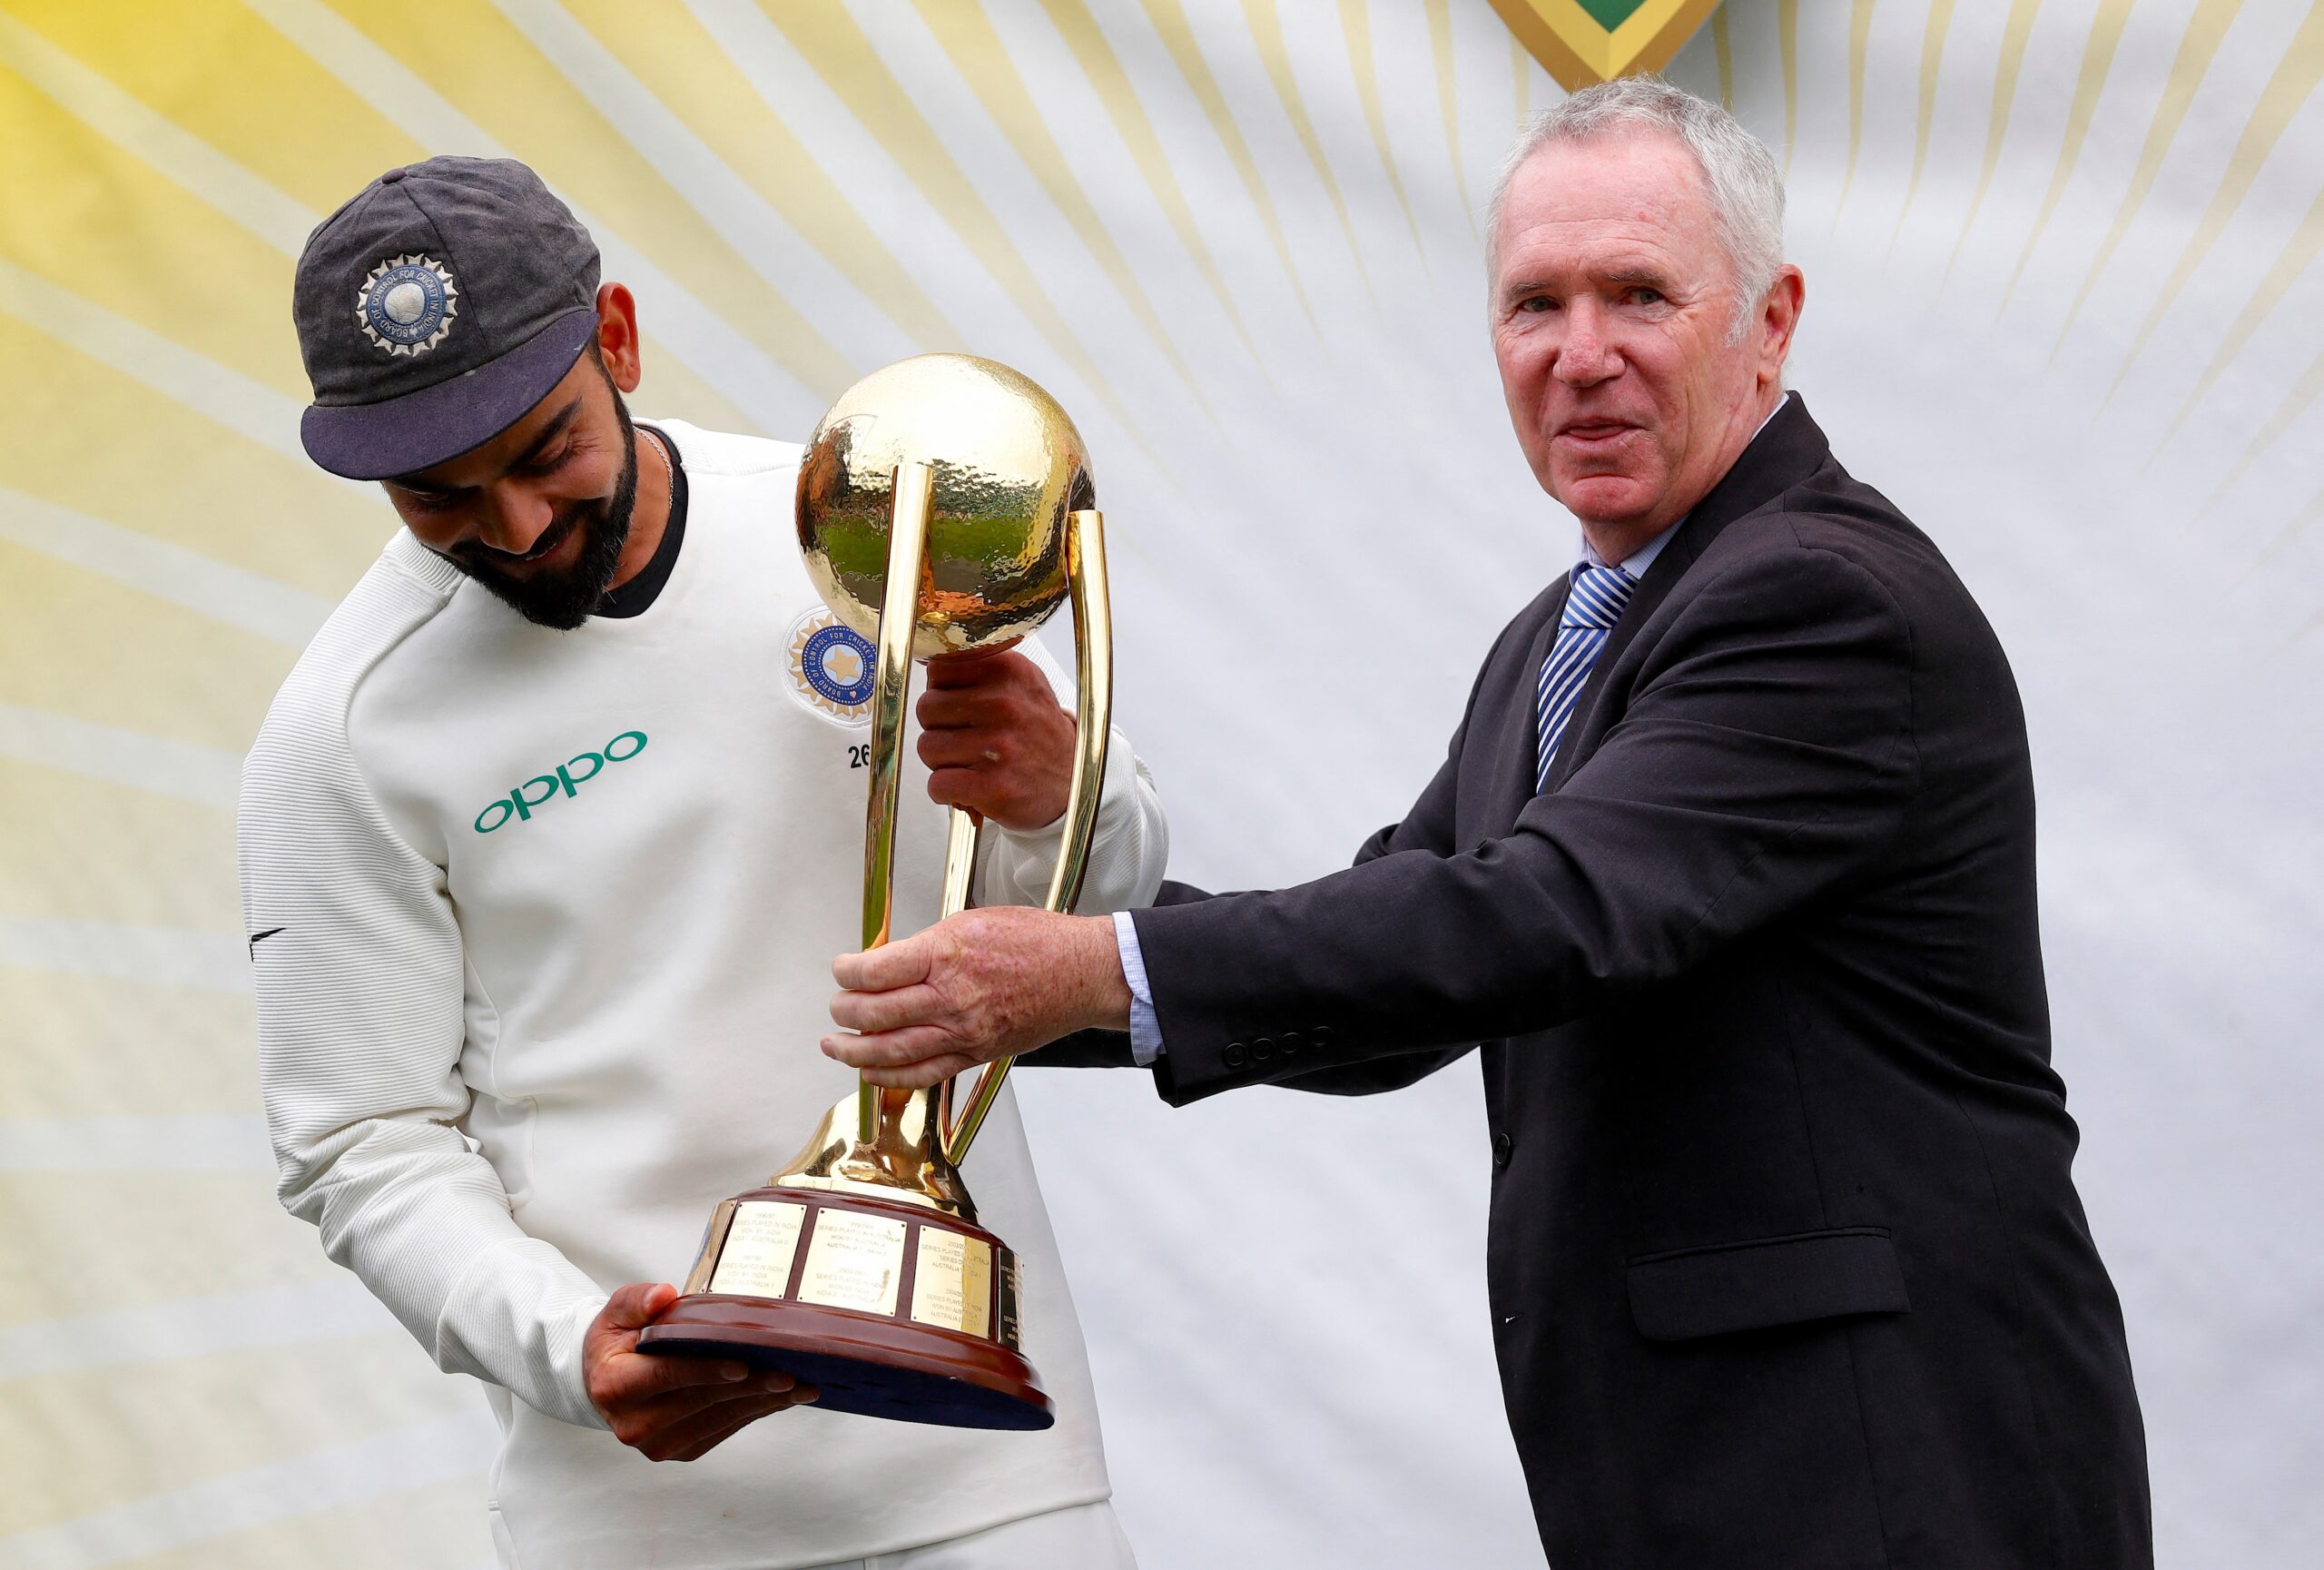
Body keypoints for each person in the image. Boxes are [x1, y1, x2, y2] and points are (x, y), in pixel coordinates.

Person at [823, 80, 2153, 1568]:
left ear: (1770, 322)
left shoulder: (1821, 599)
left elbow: (1534, 916)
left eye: (1639, 294)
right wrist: (981, 958)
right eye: (1536, 305)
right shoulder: (1563, 632)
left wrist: (1083, 968)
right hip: (1704, 1473)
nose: (1581, 356)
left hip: (1894, 1473)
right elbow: (1399, 964)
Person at [240, 156, 1165, 1570]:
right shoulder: (344, 730)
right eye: (436, 495)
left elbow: (1112, 918)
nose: (515, 526)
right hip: (636, 1517)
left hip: (983, 1473)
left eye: (544, 450)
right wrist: (570, 1347)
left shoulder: (861, 529)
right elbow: (360, 1144)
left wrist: (1059, 800)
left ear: (616, 336)